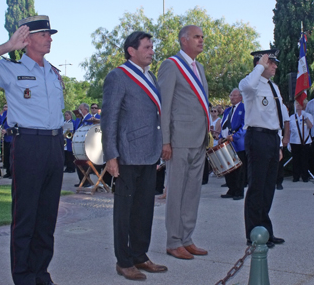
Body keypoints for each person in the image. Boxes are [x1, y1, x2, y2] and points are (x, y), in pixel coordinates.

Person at [0, 15, 64, 285]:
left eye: (49, 34)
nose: (50, 38)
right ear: (26, 39)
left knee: (47, 218)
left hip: (54, 144)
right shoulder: (10, 69)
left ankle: (41, 273)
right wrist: (8, 46)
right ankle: (23, 277)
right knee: (26, 216)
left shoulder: (54, 72)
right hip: (29, 144)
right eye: (44, 34)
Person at [102, 31, 167, 281]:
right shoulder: (118, 76)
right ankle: (124, 261)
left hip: (149, 154)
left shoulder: (150, 77)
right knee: (125, 212)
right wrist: (111, 155)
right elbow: (110, 118)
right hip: (127, 155)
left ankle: (140, 255)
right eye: (147, 47)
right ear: (132, 50)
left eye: (152, 47)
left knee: (144, 209)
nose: (152, 51)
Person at [158, 25, 209, 260]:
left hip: (199, 139)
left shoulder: (199, 67)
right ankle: (173, 241)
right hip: (178, 139)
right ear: (183, 40)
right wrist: (165, 141)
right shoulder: (171, 65)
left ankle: (187, 238)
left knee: (192, 193)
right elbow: (164, 106)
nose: (201, 40)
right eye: (196, 37)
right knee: (176, 192)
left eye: (201, 37)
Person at [239, 49, 289, 248]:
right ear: (262, 62)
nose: (275, 66)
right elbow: (248, 84)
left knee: (268, 187)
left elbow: (276, 117)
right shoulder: (250, 84)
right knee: (257, 187)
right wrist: (260, 65)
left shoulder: (273, 87)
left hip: (271, 138)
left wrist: (278, 143)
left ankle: (265, 231)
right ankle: (253, 233)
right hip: (257, 136)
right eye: (272, 62)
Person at [219, 88, 246, 200]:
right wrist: (221, 137)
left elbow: (245, 125)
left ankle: (239, 191)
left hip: (238, 143)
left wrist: (234, 137)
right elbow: (223, 125)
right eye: (231, 95)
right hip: (226, 142)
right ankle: (231, 189)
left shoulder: (244, 108)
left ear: (240, 97)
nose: (232, 97)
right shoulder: (227, 110)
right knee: (228, 167)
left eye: (235, 95)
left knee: (239, 169)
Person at [289, 100, 313, 182]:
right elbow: (289, 130)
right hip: (294, 141)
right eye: (297, 104)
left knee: (305, 160)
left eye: (300, 104)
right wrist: (288, 142)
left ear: (305, 105)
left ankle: (305, 176)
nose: (298, 105)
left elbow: (310, 126)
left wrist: (305, 117)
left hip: (305, 141)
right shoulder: (291, 117)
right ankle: (296, 176)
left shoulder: (308, 115)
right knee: (295, 160)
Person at [1, 105, 13, 178]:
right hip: (5, 138)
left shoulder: (14, 113)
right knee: (6, 156)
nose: (5, 108)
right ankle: (8, 171)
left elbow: (15, 125)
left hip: (11, 138)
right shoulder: (5, 113)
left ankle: (12, 172)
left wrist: (7, 131)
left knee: (11, 157)